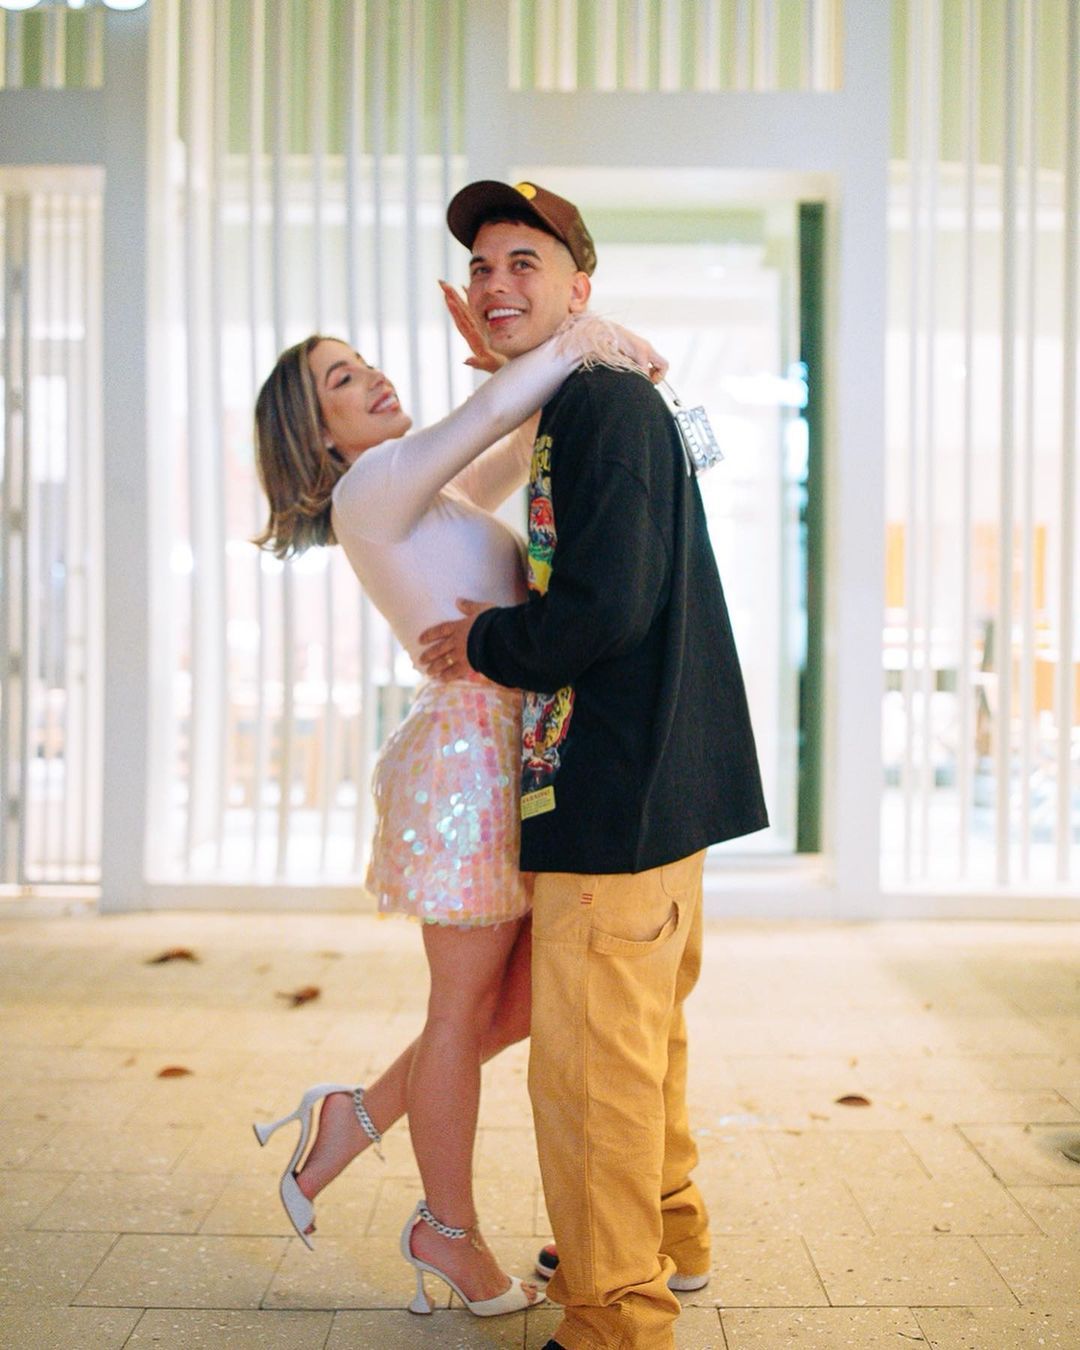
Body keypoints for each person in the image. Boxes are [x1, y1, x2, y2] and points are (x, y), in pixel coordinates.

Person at [250, 292, 665, 1319]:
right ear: (318, 440)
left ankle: (352, 1116)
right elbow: (490, 421)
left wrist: (510, 364)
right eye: (341, 382)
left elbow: (509, 441)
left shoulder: (422, 498)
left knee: (514, 1004)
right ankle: (448, 1228)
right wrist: (569, 333)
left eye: (363, 361)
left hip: (509, 754)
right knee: (461, 1013)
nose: (373, 378)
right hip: (469, 770)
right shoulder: (371, 492)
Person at [418, 181, 769, 1350]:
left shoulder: (603, 409)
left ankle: (617, 1315)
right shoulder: (601, 400)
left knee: (589, 1079)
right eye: (480, 270)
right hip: (663, 790)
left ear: (582, 287)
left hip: (616, 793)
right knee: (643, 1045)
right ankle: (669, 1233)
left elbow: (602, 606)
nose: (497, 285)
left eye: (525, 262)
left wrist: (481, 640)